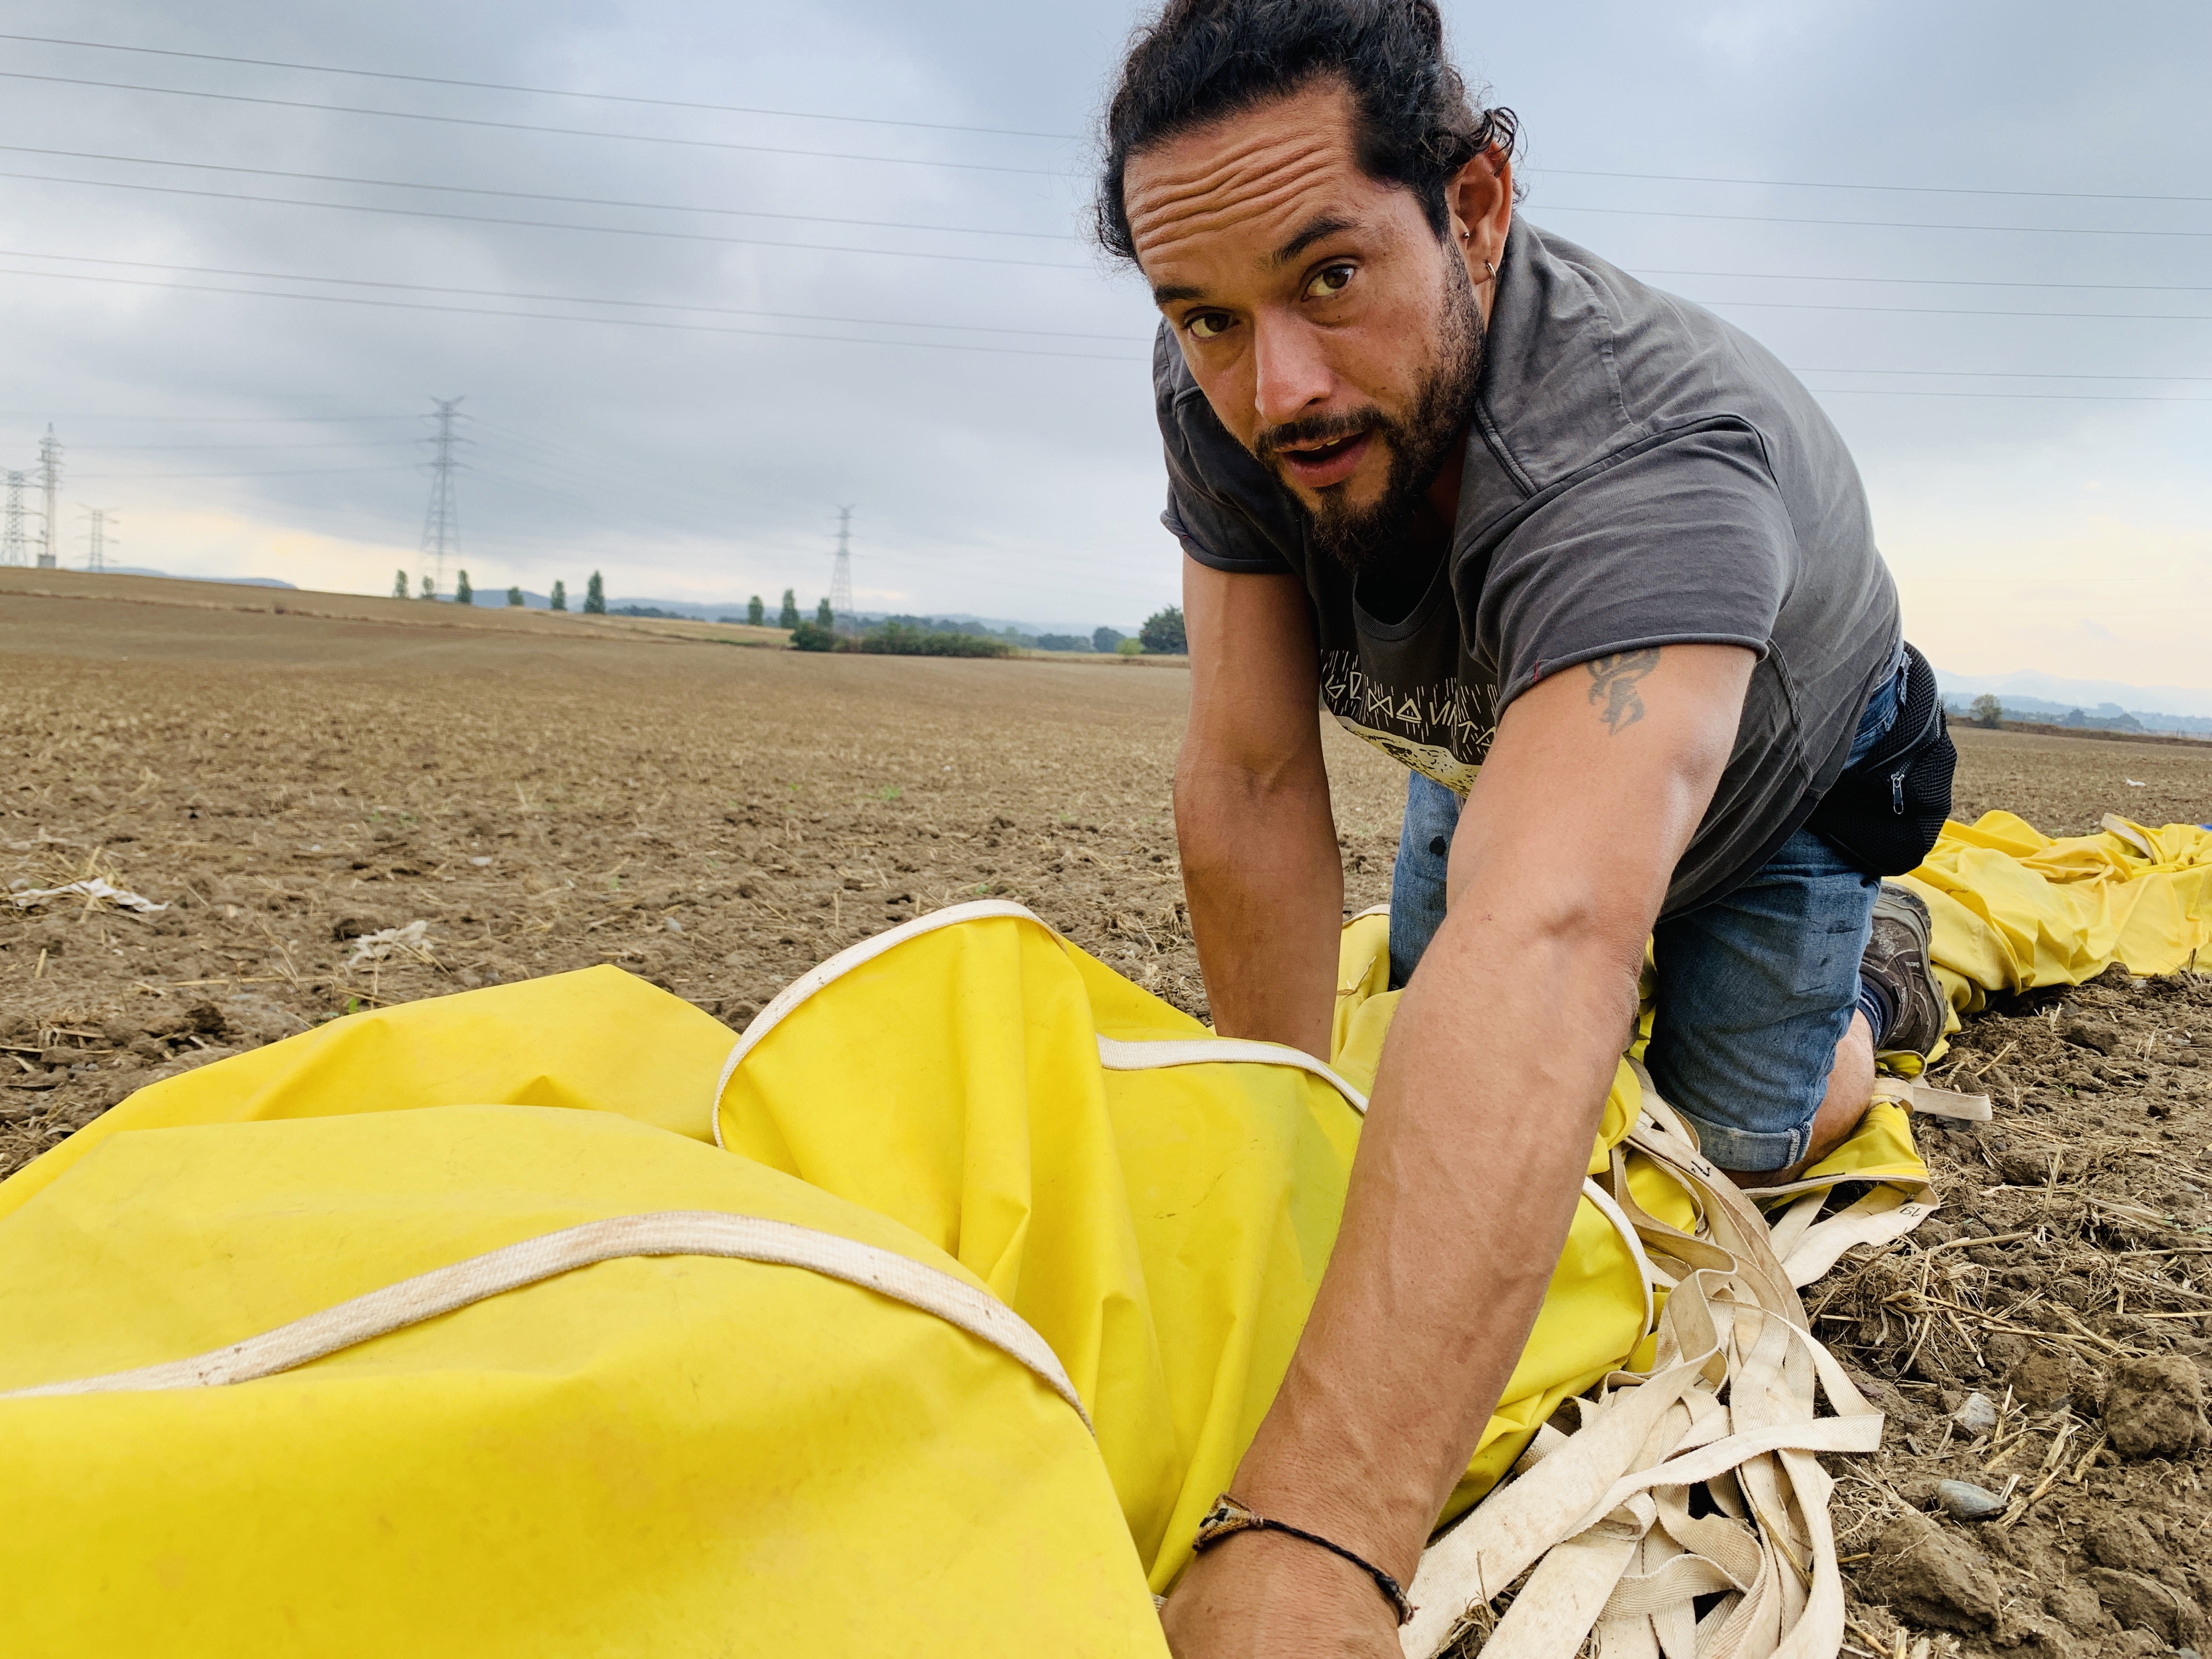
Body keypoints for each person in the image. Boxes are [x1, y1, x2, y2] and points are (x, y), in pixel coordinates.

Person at [1094, 2, 1956, 1653]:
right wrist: (1269, 1171)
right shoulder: (1230, 371)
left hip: (1773, 786)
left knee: (1741, 1151)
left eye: (1331, 275)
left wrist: (1322, 1536)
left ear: (1475, 203)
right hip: (1502, 745)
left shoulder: (1642, 456)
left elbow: (1551, 927)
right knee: (1430, 1062)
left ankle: (1876, 989)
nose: (1274, 385)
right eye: (1205, 315)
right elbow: (1258, 776)